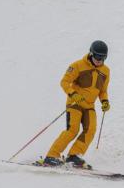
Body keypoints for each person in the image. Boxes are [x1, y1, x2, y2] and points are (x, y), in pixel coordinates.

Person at [41, 40, 111, 168]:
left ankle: (74, 156)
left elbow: (103, 91)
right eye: (97, 57)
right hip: (75, 103)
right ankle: (52, 156)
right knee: (73, 130)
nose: (99, 60)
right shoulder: (78, 65)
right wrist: (73, 94)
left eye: (103, 58)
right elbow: (65, 82)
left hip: (90, 106)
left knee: (90, 130)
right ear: (91, 54)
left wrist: (105, 101)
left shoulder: (106, 71)